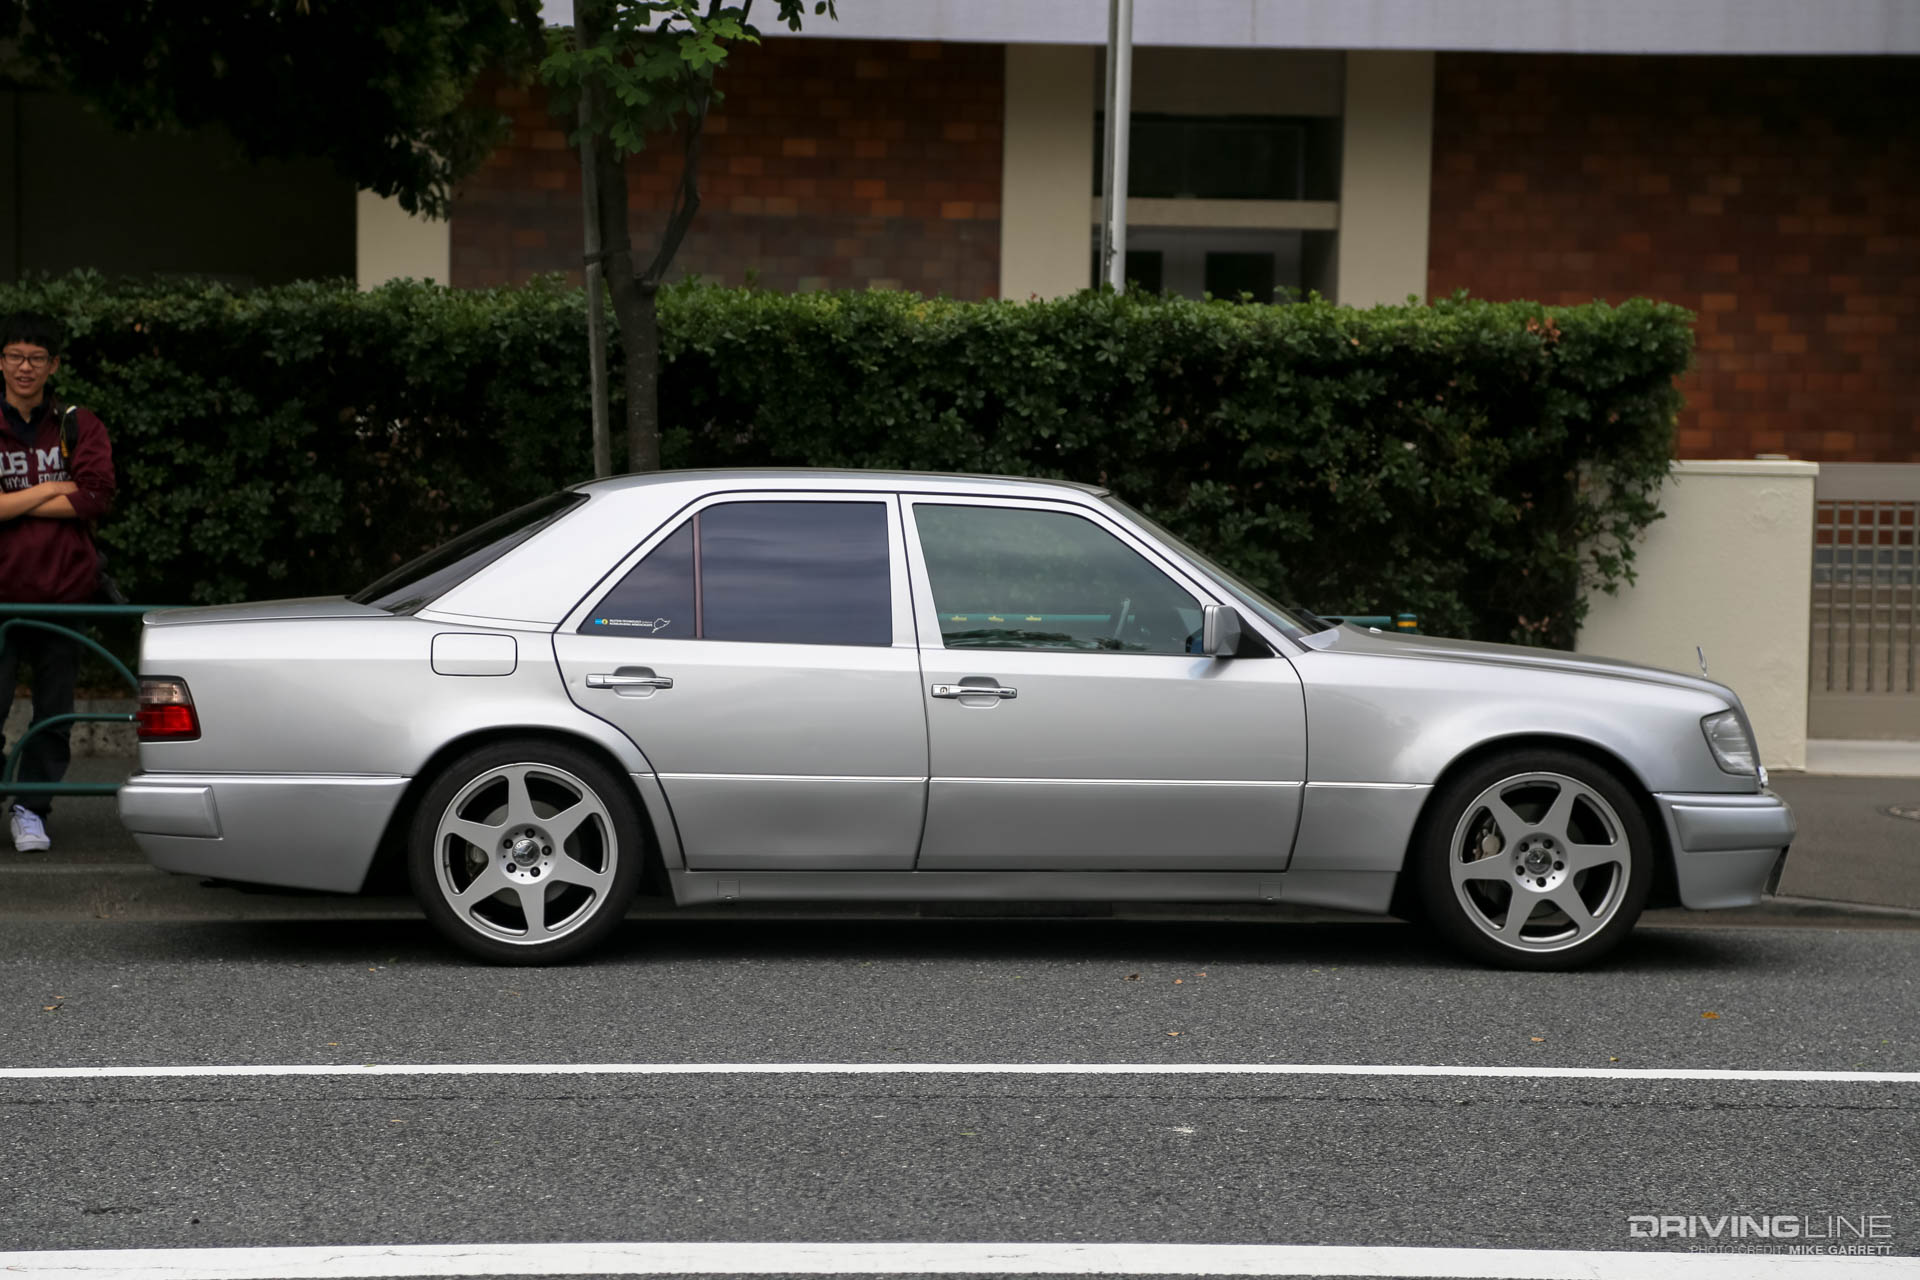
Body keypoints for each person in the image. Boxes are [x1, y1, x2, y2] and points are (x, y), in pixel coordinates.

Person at [0, 312, 115, 852]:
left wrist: (13, 503)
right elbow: (72, 493)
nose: (25, 367)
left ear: (54, 365)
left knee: (54, 714)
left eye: (36, 358)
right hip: (2, 599)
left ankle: (31, 808)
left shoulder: (77, 424)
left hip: (63, 595)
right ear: (1, 361)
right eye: (15, 356)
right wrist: (51, 489)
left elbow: (95, 496)